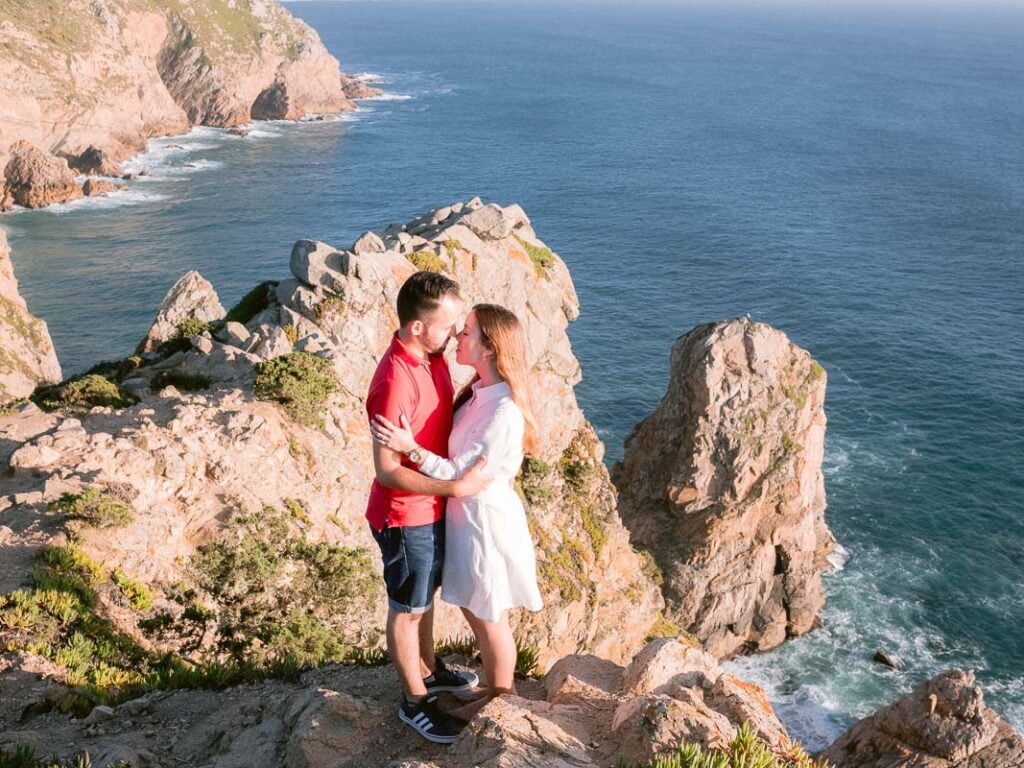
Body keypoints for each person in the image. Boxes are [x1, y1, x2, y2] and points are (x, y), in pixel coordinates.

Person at [372, 303, 544, 722]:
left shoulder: (502, 412)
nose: (456, 337)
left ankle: (502, 698)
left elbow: (458, 474)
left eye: (466, 332)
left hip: (484, 523)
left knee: (489, 614)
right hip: (465, 517)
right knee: (475, 607)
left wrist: (407, 445)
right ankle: (490, 688)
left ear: (489, 348)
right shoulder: (478, 392)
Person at [365, 271, 490, 745]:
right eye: (449, 324)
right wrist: (454, 488)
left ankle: (429, 669)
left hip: (429, 507)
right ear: (417, 327)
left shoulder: (431, 355)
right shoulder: (396, 379)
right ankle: (414, 702)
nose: (456, 333)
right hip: (406, 513)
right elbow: (386, 469)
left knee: (424, 598)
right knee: (407, 608)